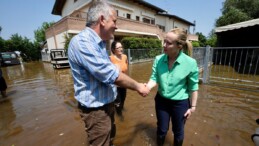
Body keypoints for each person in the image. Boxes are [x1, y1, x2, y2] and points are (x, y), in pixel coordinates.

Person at [68, 1, 149, 146]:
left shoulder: (99, 44)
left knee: (110, 138)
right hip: (96, 111)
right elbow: (112, 75)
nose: (116, 25)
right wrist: (139, 87)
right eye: (114, 20)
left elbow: (110, 72)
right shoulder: (83, 42)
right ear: (102, 20)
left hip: (107, 104)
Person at [146, 28, 199, 146]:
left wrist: (193, 107)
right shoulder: (158, 59)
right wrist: (147, 87)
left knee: (178, 132)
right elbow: (154, 78)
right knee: (161, 130)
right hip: (161, 101)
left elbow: (193, 87)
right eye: (164, 41)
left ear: (179, 46)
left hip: (180, 103)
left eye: (168, 43)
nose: (164, 45)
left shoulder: (190, 63)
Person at [109, 41, 128, 119]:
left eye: (121, 47)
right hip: (115, 85)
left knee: (123, 98)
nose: (120, 49)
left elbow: (125, 68)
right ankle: (119, 114)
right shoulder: (111, 59)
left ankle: (121, 109)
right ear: (113, 50)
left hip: (124, 83)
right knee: (118, 101)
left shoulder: (125, 57)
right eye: (118, 48)